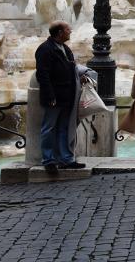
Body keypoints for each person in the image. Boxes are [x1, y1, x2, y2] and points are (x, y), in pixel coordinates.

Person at [35, 21, 85, 175]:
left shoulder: (66, 49)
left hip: (67, 96)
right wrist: (50, 96)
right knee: (49, 128)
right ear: (59, 32)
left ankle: (66, 159)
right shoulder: (45, 49)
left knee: (63, 128)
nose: (70, 31)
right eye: (67, 29)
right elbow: (42, 75)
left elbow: (70, 69)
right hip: (54, 97)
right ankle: (48, 160)